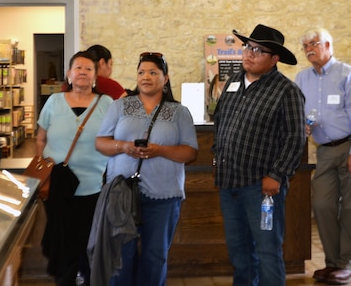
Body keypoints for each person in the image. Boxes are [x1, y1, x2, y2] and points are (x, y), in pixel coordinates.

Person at [212, 24, 306, 286]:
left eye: (258, 50)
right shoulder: (232, 82)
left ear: (274, 59)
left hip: (262, 189)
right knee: (239, 252)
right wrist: (217, 158)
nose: (249, 54)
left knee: (267, 250)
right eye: (248, 47)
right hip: (229, 183)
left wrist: (276, 176)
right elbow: (220, 122)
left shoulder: (287, 91)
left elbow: (295, 139)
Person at [95, 52, 198, 286]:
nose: (146, 77)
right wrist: (123, 146)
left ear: (166, 78)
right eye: (141, 72)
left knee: (155, 256)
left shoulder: (179, 112)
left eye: (153, 72)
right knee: (121, 255)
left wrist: (159, 150)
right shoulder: (121, 106)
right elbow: (101, 142)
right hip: (121, 194)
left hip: (163, 196)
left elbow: (190, 152)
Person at [36, 50, 113, 285]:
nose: (82, 72)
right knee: (62, 243)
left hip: (93, 188)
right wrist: (40, 174)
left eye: (88, 69)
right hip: (57, 187)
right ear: (68, 74)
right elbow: (40, 139)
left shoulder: (107, 104)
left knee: (89, 244)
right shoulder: (53, 102)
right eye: (77, 68)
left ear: (95, 77)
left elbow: (114, 139)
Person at [295, 27, 351, 285]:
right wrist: (302, 125)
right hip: (324, 151)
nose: (309, 49)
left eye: (314, 44)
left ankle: (345, 265)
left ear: (328, 45)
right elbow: (297, 111)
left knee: (349, 208)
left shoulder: (346, 74)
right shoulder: (302, 78)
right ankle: (332, 262)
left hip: (348, 147)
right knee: (323, 205)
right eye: (305, 45)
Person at [62, 44, 127, 99]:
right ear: (102, 63)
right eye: (110, 64)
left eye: (88, 69)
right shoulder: (111, 86)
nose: (83, 72)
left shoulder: (66, 87)